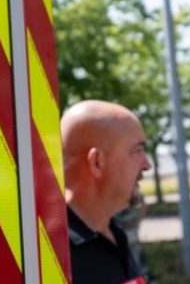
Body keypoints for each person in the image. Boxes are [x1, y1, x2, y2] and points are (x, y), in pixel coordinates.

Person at [61, 100, 151, 284]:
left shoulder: (115, 232)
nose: (147, 165)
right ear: (97, 163)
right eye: (137, 151)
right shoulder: (54, 255)